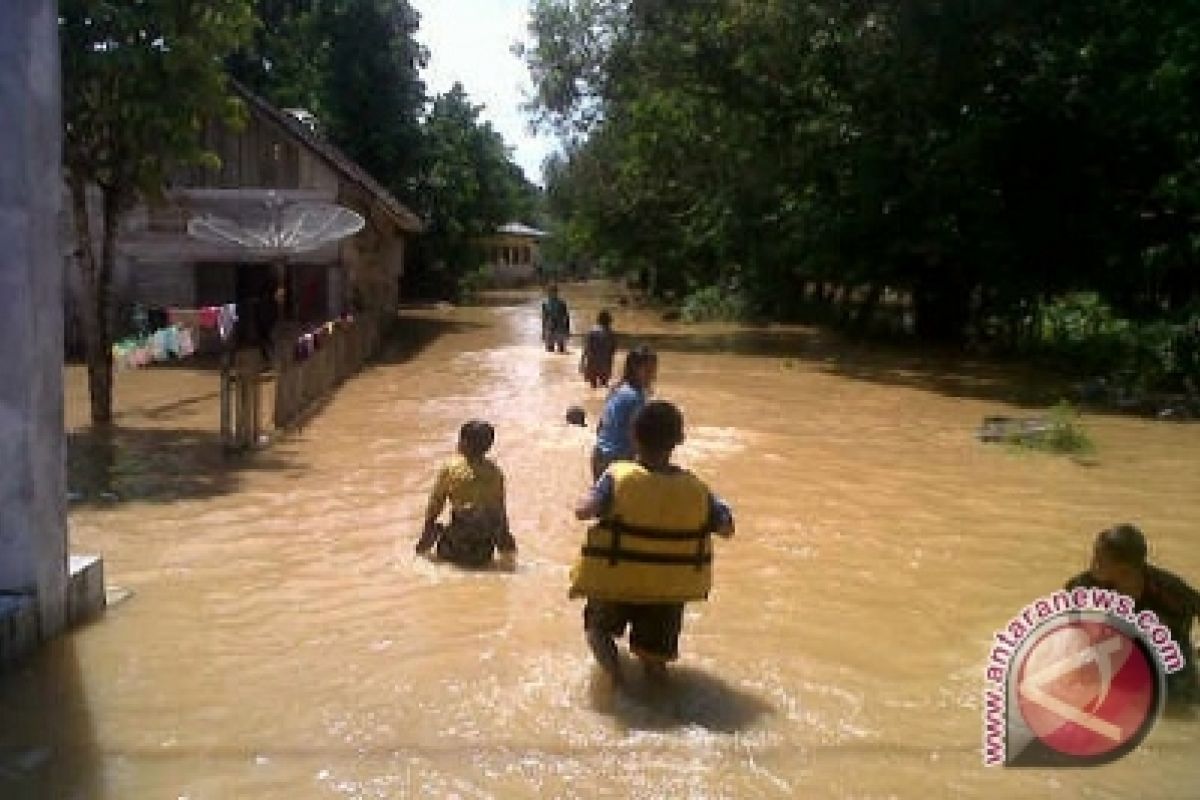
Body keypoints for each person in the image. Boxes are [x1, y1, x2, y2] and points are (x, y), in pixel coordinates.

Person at [571, 400, 734, 685]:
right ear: (680, 440)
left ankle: (616, 678)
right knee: (655, 659)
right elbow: (727, 528)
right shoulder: (697, 489)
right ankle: (659, 691)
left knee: (597, 629)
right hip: (667, 590)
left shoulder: (617, 476)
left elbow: (583, 511)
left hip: (616, 580)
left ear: (633, 435)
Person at [1065, 523, 1199, 705]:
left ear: (1124, 569)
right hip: (1125, 648)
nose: (1092, 563)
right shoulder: (1090, 584)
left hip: (1170, 658)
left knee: (1177, 706)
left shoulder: (1169, 590)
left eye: (1100, 560)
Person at [416, 420, 517, 569]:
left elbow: (435, 505)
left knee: (435, 532)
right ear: (489, 446)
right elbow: (500, 513)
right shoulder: (496, 473)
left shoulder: (450, 468)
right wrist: (507, 550)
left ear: (463, 442)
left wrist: (424, 540)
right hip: (484, 551)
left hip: (455, 546)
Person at [592, 345, 658, 482]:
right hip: (618, 461)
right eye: (648, 369)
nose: (653, 374)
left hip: (599, 454)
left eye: (654, 369)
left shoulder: (616, 388)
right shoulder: (636, 397)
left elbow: (600, 426)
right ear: (634, 369)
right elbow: (634, 433)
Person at [580, 310, 618, 389]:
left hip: (592, 363)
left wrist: (582, 362)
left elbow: (587, 348)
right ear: (609, 321)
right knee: (604, 386)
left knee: (593, 386)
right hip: (605, 363)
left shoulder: (592, 331)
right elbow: (613, 350)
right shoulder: (611, 333)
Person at [541, 284, 571, 353]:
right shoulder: (545, 303)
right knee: (550, 350)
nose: (552, 293)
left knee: (561, 349)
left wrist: (567, 330)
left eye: (554, 292)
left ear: (557, 292)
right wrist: (543, 331)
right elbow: (544, 318)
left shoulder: (562, 303)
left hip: (560, 327)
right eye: (551, 292)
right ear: (548, 292)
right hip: (549, 327)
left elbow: (566, 317)